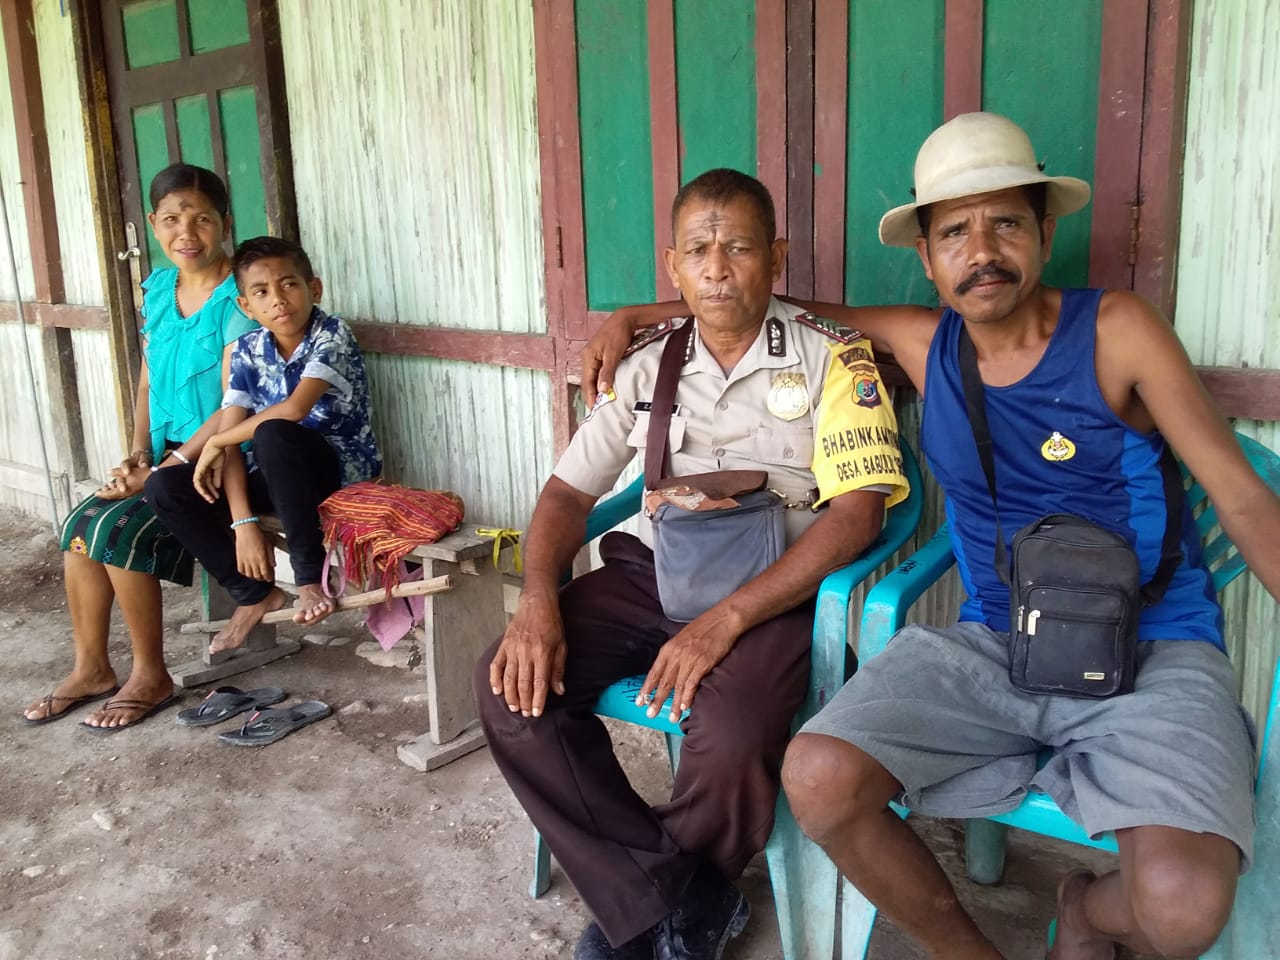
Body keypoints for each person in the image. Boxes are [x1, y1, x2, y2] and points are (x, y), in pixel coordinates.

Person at [584, 112, 1280, 960]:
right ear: (926, 255)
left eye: (1006, 223)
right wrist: (636, 314)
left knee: (1182, 912)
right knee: (820, 777)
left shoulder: (1117, 331)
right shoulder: (925, 343)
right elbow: (757, 300)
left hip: (1153, 644)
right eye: (955, 232)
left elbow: (1242, 500)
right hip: (995, 643)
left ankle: (1086, 913)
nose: (981, 251)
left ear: (1045, 233)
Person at [474, 168, 909, 960]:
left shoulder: (834, 359)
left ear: (775, 257)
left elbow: (856, 516)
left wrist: (726, 621)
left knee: (735, 728)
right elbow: (566, 495)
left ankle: (653, 912)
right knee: (511, 687)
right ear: (672, 266)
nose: (717, 269)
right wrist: (536, 600)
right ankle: (676, 899)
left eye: (738, 248)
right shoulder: (645, 365)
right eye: (699, 251)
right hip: (655, 570)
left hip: (774, 587)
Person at [21, 164, 257, 731]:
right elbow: (149, 381)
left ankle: (151, 675)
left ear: (225, 223)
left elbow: (236, 401)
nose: (186, 233)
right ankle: (92, 669)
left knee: (117, 532)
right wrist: (137, 455)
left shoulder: (239, 298)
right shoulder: (157, 290)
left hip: (223, 457)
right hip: (167, 456)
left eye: (202, 220)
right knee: (80, 527)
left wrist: (169, 465)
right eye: (171, 219)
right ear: (152, 224)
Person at [147, 236, 380, 654]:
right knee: (164, 486)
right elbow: (233, 431)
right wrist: (243, 522)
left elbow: (293, 410)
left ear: (314, 289)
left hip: (336, 473)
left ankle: (309, 579)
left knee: (272, 432)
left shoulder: (331, 333)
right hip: (276, 473)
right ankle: (253, 594)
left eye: (288, 284)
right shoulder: (248, 349)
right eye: (261, 292)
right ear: (246, 306)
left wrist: (217, 440)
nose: (278, 300)